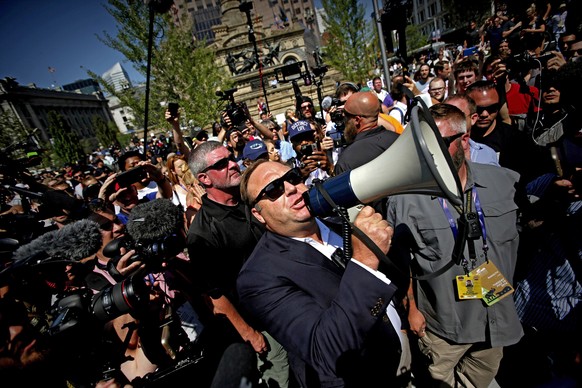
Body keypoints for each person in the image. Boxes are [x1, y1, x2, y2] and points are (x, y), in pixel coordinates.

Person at [387, 103, 524, 388]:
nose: (428, 154)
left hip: (493, 318)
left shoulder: (505, 182)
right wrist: (412, 307)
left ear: (463, 140)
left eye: (438, 144)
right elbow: (402, 263)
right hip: (443, 327)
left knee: (480, 380)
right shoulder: (404, 200)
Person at [237, 159, 407, 387]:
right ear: (258, 215)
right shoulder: (258, 278)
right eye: (273, 189)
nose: (290, 188)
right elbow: (325, 350)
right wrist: (364, 262)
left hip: (402, 354)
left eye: (293, 177)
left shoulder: (340, 221)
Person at [186, 141, 289, 387]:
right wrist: (248, 333)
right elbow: (215, 295)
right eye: (221, 164)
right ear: (205, 178)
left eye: (231, 158)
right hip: (263, 325)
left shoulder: (251, 197)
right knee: (283, 380)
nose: (234, 164)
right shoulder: (202, 234)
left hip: (293, 301)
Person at [334, 91, 399, 215]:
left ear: (357, 120)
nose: (344, 121)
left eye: (346, 116)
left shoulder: (346, 160)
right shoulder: (398, 139)